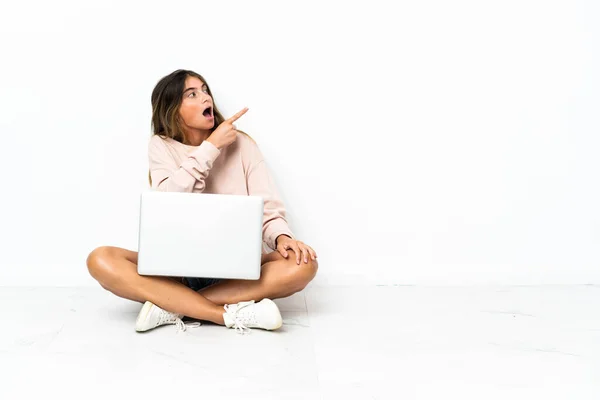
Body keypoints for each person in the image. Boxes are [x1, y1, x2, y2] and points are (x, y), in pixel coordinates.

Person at [86, 69, 318, 334]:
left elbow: (268, 207)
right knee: (100, 259)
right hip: (177, 269)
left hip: (239, 269)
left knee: (304, 265)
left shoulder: (242, 144)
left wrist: (282, 239)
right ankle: (225, 314)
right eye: (192, 94)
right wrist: (210, 148)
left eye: (205, 90)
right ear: (173, 110)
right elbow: (168, 203)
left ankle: (171, 304)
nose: (205, 97)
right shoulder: (160, 145)